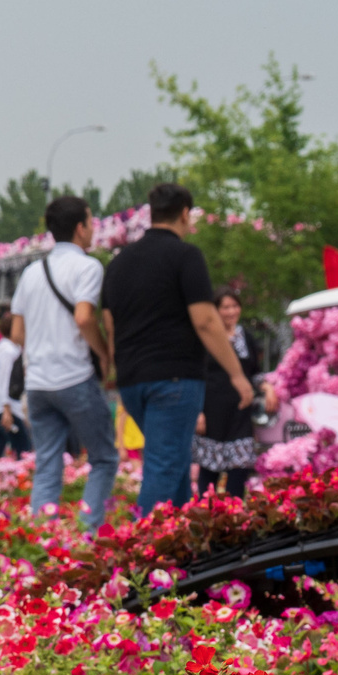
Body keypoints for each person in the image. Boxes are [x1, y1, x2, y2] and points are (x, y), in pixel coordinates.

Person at [102, 180, 250, 516]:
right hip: (174, 379)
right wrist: (237, 375)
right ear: (185, 214)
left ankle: (187, 549)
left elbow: (110, 323)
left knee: (176, 461)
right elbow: (205, 321)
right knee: (165, 467)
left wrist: (115, 368)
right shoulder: (186, 256)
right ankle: (140, 555)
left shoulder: (119, 262)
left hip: (131, 380)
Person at [13, 194, 120, 525]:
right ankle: (87, 533)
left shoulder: (31, 272)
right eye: (91, 222)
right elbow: (85, 318)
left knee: (47, 463)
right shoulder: (88, 266)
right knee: (103, 458)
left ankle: (44, 538)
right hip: (74, 377)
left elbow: (17, 333)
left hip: (38, 384)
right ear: (80, 227)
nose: (93, 230)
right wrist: (105, 354)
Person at [198, 290, 276, 493]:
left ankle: (234, 518)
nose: (231, 311)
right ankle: (204, 519)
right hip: (211, 413)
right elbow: (196, 376)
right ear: (215, 310)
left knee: (239, 473)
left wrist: (267, 387)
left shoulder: (246, 337)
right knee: (209, 478)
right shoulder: (205, 339)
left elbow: (254, 373)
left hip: (240, 414)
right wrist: (197, 412)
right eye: (226, 307)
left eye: (235, 306)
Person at [0, 314, 29, 463]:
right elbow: (6, 381)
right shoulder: (10, 351)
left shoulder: (1, 347)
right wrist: (6, 409)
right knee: (24, 449)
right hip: (6, 408)